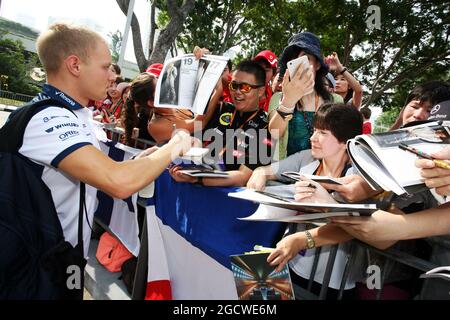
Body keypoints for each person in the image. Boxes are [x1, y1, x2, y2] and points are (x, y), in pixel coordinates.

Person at [11, 23, 195, 297]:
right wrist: (178, 142)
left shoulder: (77, 116)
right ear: (75, 65)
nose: (113, 76)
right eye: (106, 66)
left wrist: (164, 147)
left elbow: (111, 169)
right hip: (35, 262)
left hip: (66, 256)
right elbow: (118, 181)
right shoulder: (47, 118)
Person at [247, 103, 369, 299]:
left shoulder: (358, 178)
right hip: (290, 261)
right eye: (314, 131)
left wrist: (326, 202)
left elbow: (357, 225)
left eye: (322, 133)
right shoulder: (305, 159)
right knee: (255, 297)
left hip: (331, 281)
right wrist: (259, 175)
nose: (313, 138)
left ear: (345, 140)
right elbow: (265, 170)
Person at [170, 60, 273, 187]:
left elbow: (242, 177)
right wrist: (201, 60)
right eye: (234, 86)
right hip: (193, 185)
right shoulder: (220, 109)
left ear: (261, 91)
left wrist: (197, 179)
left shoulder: (266, 126)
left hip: (226, 198)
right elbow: (190, 88)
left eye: (245, 87)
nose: (238, 92)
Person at [268, 32, 341, 161]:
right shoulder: (278, 98)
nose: (299, 65)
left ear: (317, 65)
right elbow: (274, 132)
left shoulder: (335, 101)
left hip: (322, 175)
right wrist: (288, 102)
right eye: (294, 61)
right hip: (285, 176)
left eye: (305, 59)